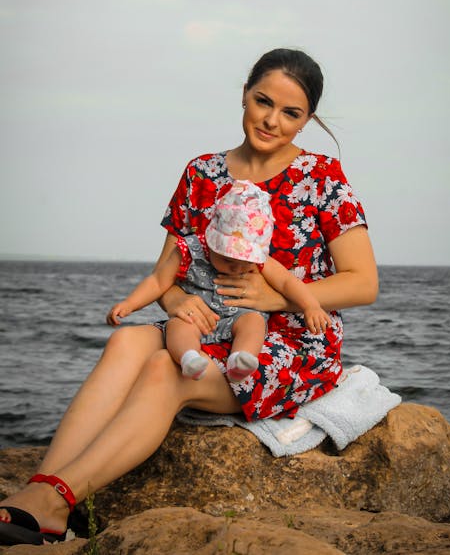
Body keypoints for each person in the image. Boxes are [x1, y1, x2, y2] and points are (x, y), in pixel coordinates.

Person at [0, 48, 378, 546]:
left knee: (165, 369)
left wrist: (274, 297)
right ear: (244, 92)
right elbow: (169, 271)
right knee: (126, 344)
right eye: (263, 101)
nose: (271, 119)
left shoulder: (323, 178)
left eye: (291, 113)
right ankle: (39, 491)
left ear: (307, 120)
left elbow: (363, 283)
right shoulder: (202, 172)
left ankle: (58, 500)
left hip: (281, 341)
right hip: (205, 324)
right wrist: (175, 302)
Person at [106, 180, 331, 383]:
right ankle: (189, 358)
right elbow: (158, 281)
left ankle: (241, 361)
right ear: (212, 240)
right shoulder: (189, 249)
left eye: (246, 262)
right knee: (178, 326)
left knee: (254, 323)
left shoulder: (262, 261)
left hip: (238, 315)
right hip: (197, 315)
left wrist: (310, 305)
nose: (237, 267)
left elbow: (287, 283)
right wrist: (130, 304)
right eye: (227, 259)